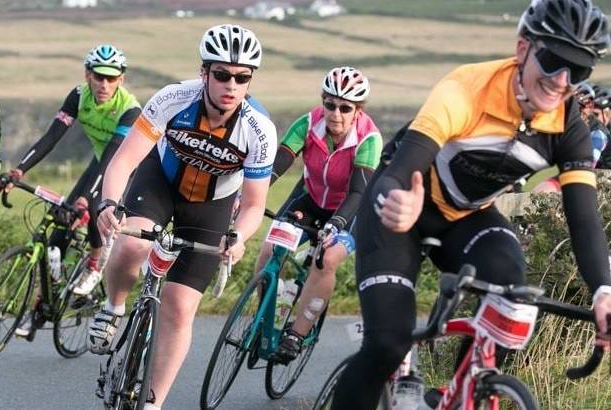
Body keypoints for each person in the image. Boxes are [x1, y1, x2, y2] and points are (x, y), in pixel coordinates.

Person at [330, 1, 611, 408]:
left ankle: (463, 390)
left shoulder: (567, 126)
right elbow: (401, 167)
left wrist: (603, 290)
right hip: (400, 209)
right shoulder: (465, 90)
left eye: (579, 70)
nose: (561, 80)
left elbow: (583, 218)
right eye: (552, 60)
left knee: (515, 304)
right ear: (523, 49)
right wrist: (399, 200)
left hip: (466, 217)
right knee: (388, 344)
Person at [92, 24, 277, 409]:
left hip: (211, 205)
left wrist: (239, 236)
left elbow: (255, 204)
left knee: (179, 306)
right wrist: (109, 204)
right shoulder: (173, 99)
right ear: (204, 73)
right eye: (222, 74)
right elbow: (125, 159)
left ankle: (153, 402)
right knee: (129, 246)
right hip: (160, 182)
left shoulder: (259, 131)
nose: (231, 85)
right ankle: (113, 307)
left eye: (242, 78)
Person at [5, 45, 140, 339]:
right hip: (99, 160)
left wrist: (85, 198)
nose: (104, 85)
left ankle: (94, 264)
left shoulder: (129, 109)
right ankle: (41, 307)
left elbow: (111, 163)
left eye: (111, 78)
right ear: (87, 75)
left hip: (126, 166)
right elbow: (51, 136)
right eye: (98, 77)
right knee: (58, 230)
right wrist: (19, 170)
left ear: (121, 79)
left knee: (91, 207)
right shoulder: (79, 96)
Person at [253, 66, 382, 363]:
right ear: (323, 101)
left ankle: (296, 335)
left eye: (345, 108)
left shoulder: (369, 140)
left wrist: (336, 224)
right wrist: (253, 196)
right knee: (271, 248)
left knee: (326, 260)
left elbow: (358, 193)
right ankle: (264, 317)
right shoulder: (308, 123)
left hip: (350, 209)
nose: (335, 113)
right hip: (310, 199)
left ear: (357, 110)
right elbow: (277, 165)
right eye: (330, 104)